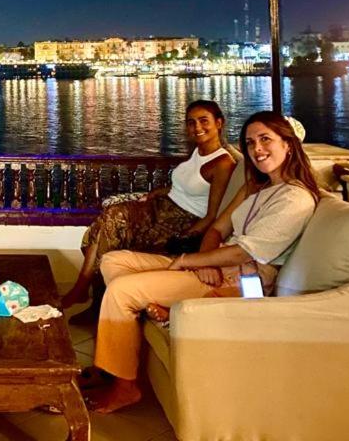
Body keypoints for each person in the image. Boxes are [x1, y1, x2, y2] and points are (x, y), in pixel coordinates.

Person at [84, 111, 319, 413]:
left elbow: (243, 253)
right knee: (114, 261)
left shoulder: (294, 199)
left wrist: (187, 261)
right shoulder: (257, 189)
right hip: (218, 266)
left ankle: (124, 385)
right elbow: (218, 229)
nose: (257, 150)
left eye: (265, 140)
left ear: (289, 144)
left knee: (122, 291)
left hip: (243, 282)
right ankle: (141, 335)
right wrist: (205, 263)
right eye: (250, 143)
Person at [61, 100, 236, 316]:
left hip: (180, 222)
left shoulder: (222, 163)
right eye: (191, 122)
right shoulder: (199, 152)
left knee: (114, 220)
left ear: (219, 123)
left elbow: (212, 215)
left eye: (204, 121)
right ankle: (90, 292)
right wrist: (158, 193)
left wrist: (187, 237)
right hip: (163, 208)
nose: (197, 127)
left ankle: (90, 294)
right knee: (106, 220)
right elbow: (185, 187)